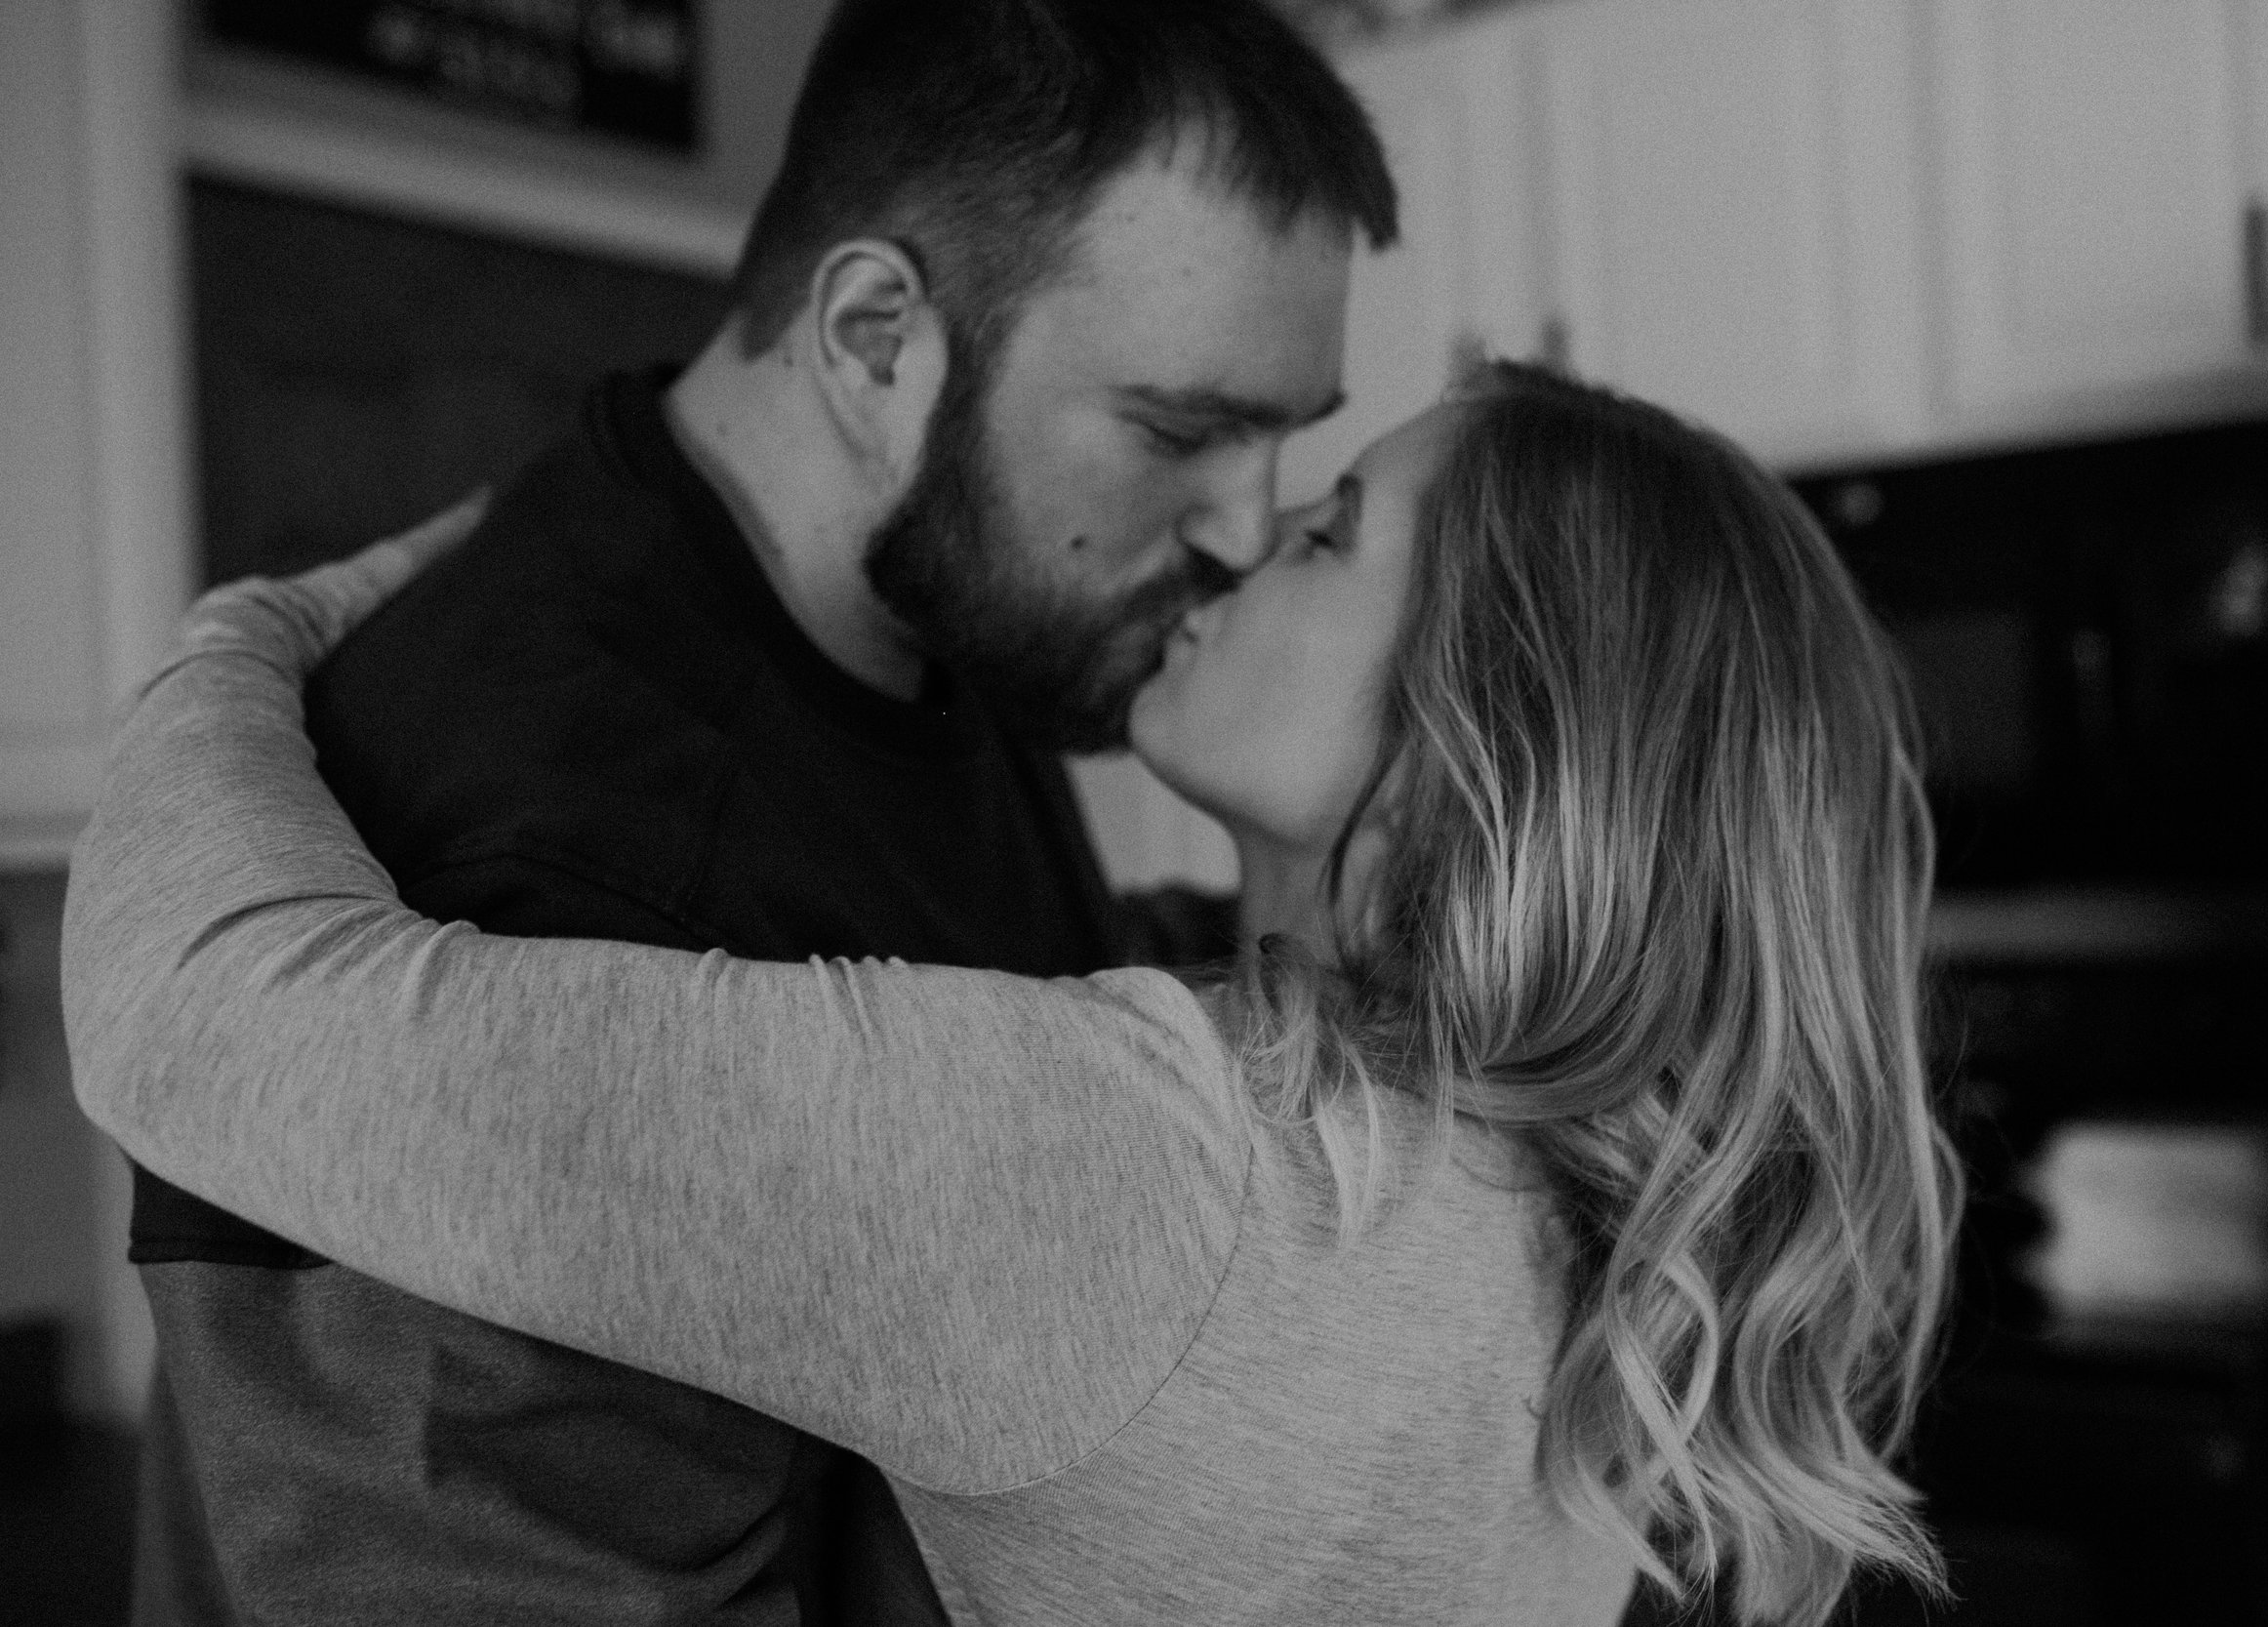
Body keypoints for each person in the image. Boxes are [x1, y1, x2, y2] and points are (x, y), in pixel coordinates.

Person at [69, 365, 1963, 1627]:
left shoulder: (1147, 1170)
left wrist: (261, 628)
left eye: (1322, 536)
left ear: (1497, 716)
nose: (1232, 539)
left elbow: (211, 1007)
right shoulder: (1556, 1170)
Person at [120, 3, 1395, 1623]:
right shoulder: (549, 866)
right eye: (1182, 430)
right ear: (874, 339)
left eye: (1289, 441)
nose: (1246, 526)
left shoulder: (925, 612)